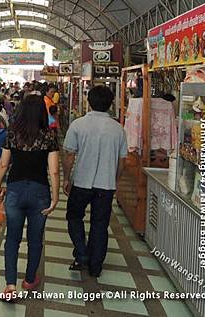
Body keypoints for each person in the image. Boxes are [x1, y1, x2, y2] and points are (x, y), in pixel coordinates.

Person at [0, 95, 60, 295]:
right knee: (35, 239)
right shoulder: (49, 136)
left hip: (15, 190)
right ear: (42, 111)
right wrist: (56, 197)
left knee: (12, 238)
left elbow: (4, 164)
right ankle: (30, 280)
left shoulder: (12, 134)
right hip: (40, 192)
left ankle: (10, 285)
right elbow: (54, 170)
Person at [63, 86, 128, 277]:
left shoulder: (78, 125)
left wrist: (66, 178)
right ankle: (95, 266)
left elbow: (69, 155)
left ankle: (81, 253)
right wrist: (114, 180)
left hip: (81, 182)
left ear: (89, 102)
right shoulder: (118, 130)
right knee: (100, 224)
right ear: (110, 104)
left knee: (74, 217)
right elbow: (122, 161)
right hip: (106, 185)